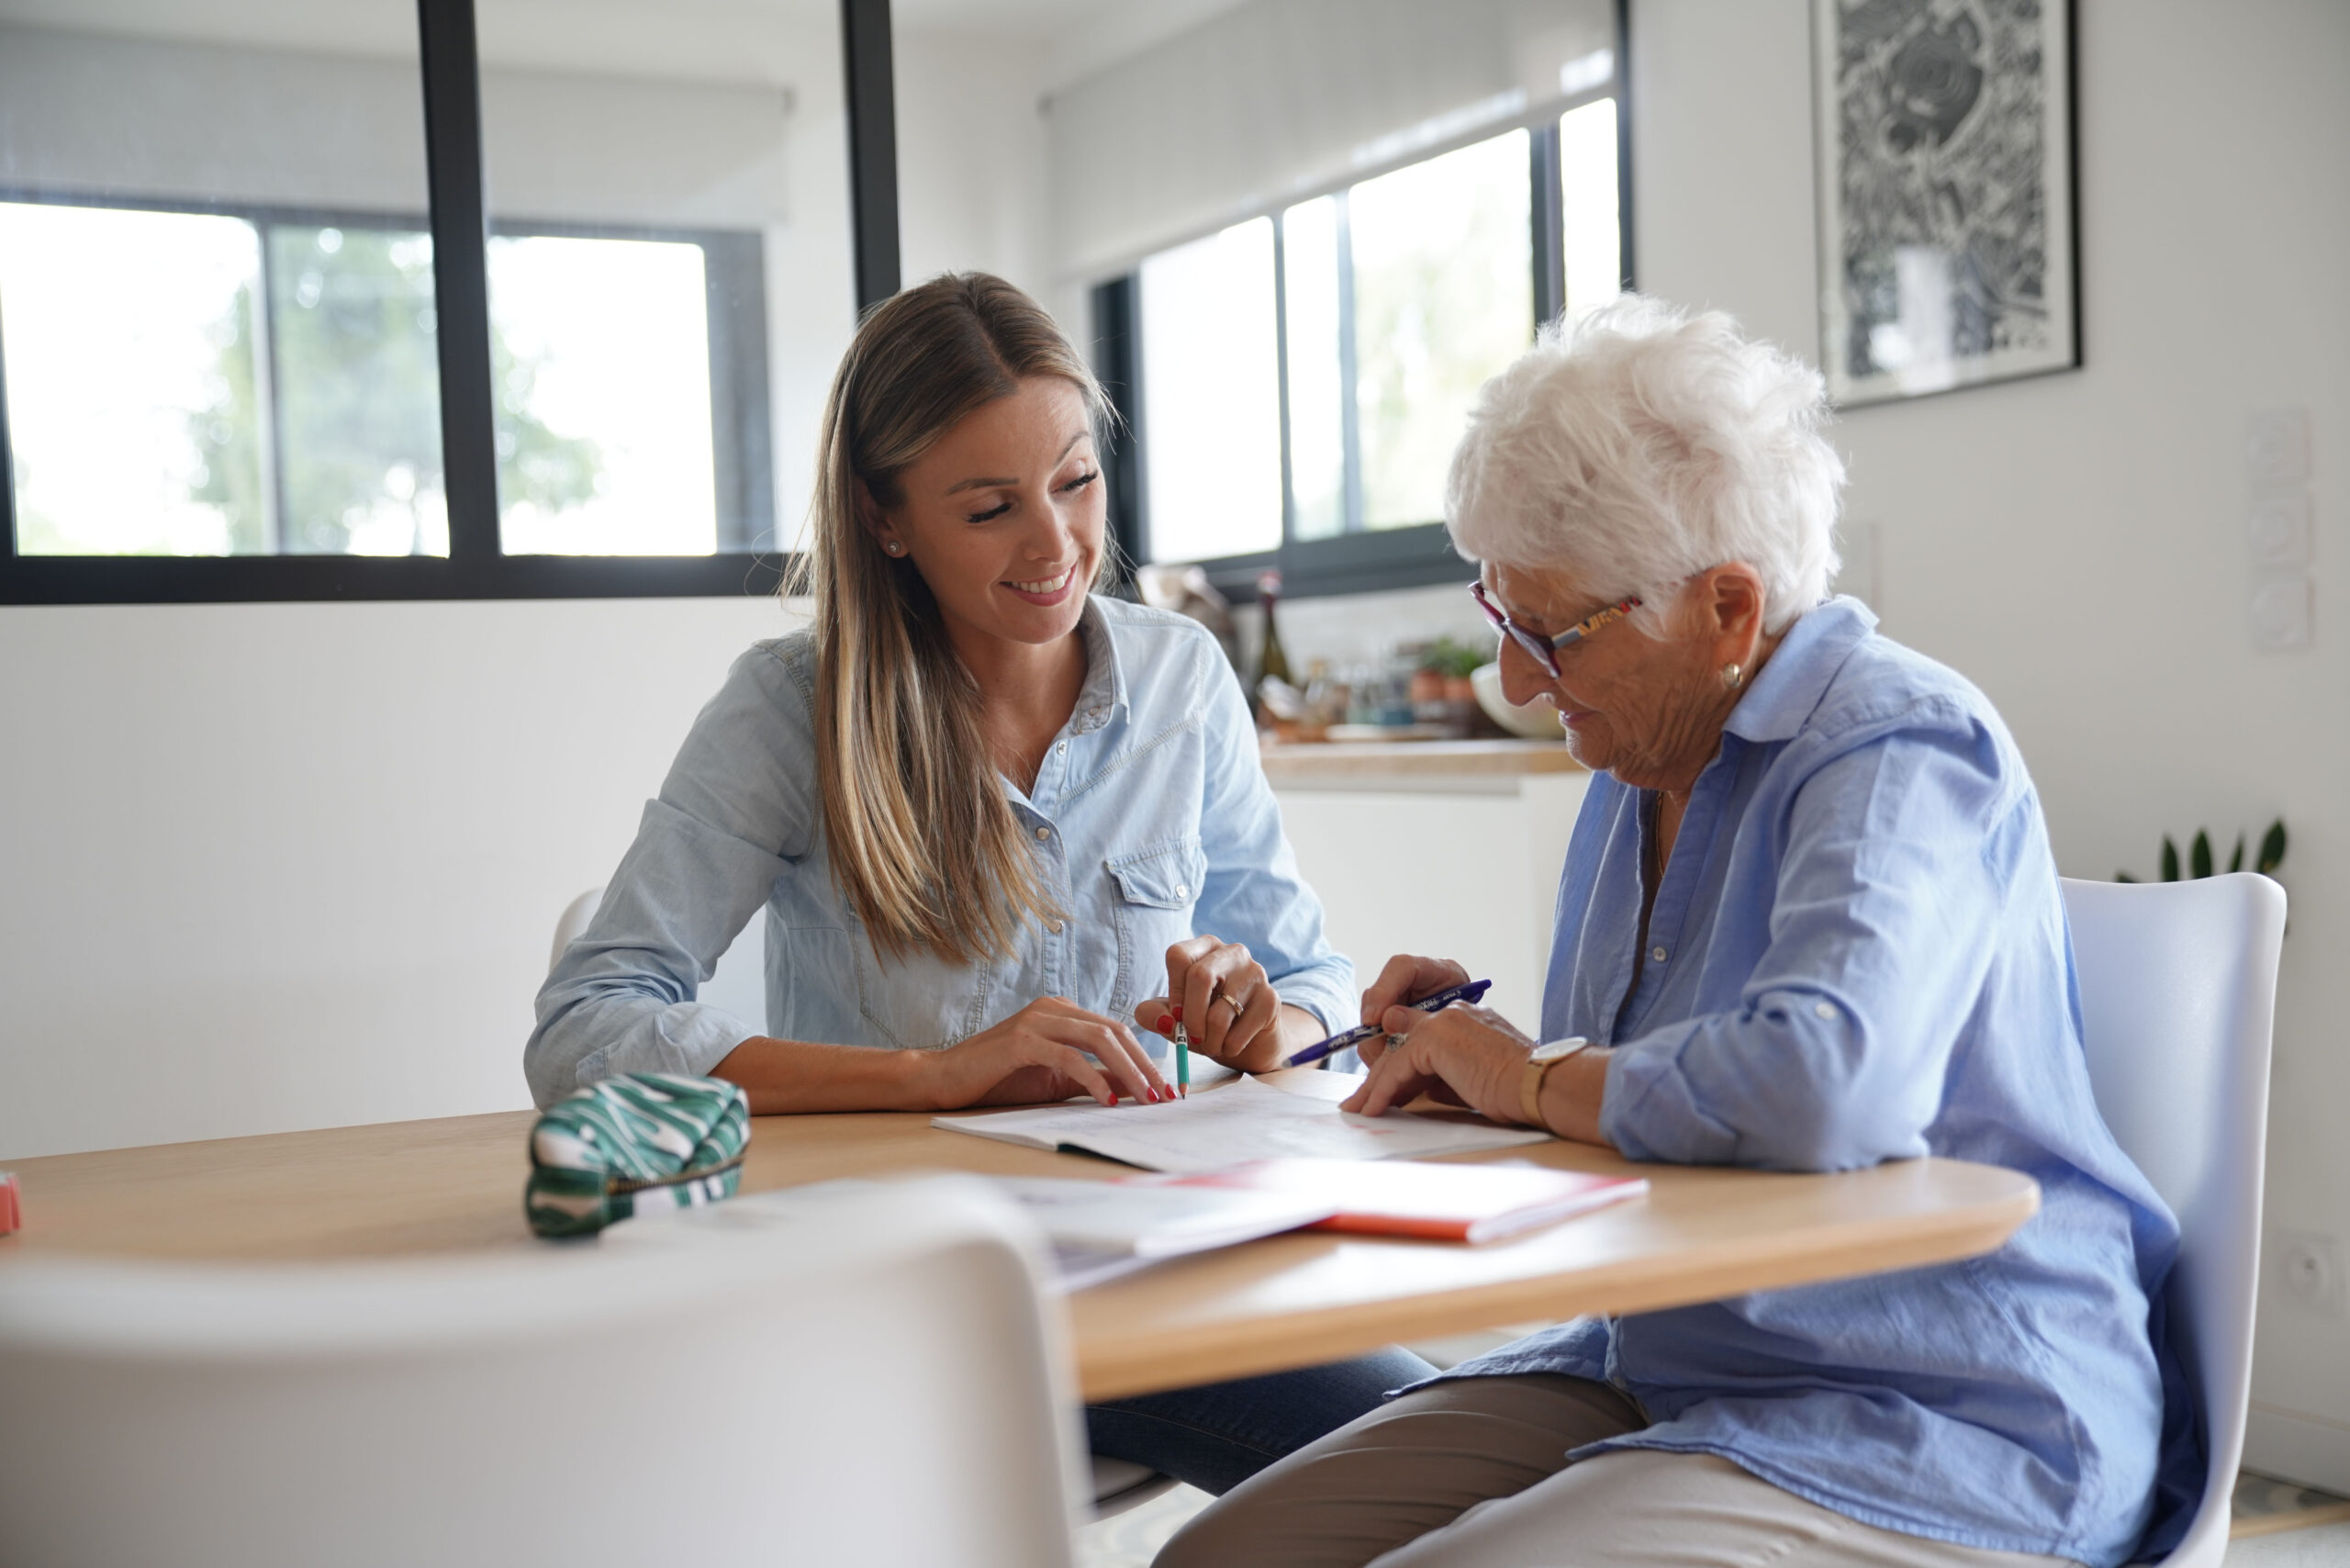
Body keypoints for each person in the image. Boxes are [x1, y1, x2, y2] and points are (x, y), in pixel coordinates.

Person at [1158, 298, 2193, 1568]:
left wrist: (1531, 1078)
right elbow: (1662, 1086)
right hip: (1676, 1357)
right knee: (1219, 1559)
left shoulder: (1898, 743)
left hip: (1943, 1398)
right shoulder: (1632, 768)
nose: (1520, 685)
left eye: (1554, 636)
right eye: (1503, 622)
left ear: (1727, 609)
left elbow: (1821, 1088)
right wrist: (1481, 1069)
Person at [526, 272, 1430, 1492]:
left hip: (1154, 1268)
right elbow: (587, 1022)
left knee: (1450, 1443)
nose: (1056, 545)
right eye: (991, 506)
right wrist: (931, 1078)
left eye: (1076, 481)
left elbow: (1312, 972)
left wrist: (1274, 1021)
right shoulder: (788, 713)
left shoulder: (1183, 681)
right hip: (894, 1291)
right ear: (887, 519)